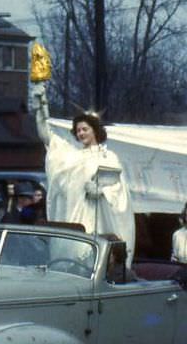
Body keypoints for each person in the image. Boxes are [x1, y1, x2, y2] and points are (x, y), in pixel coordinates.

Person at [33, 82, 135, 262]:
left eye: (85, 129)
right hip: (78, 217)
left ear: (95, 130)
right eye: (78, 130)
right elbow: (48, 138)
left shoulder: (108, 157)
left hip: (103, 220)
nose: (81, 133)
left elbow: (120, 189)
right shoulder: (73, 157)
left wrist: (102, 191)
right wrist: (41, 107)